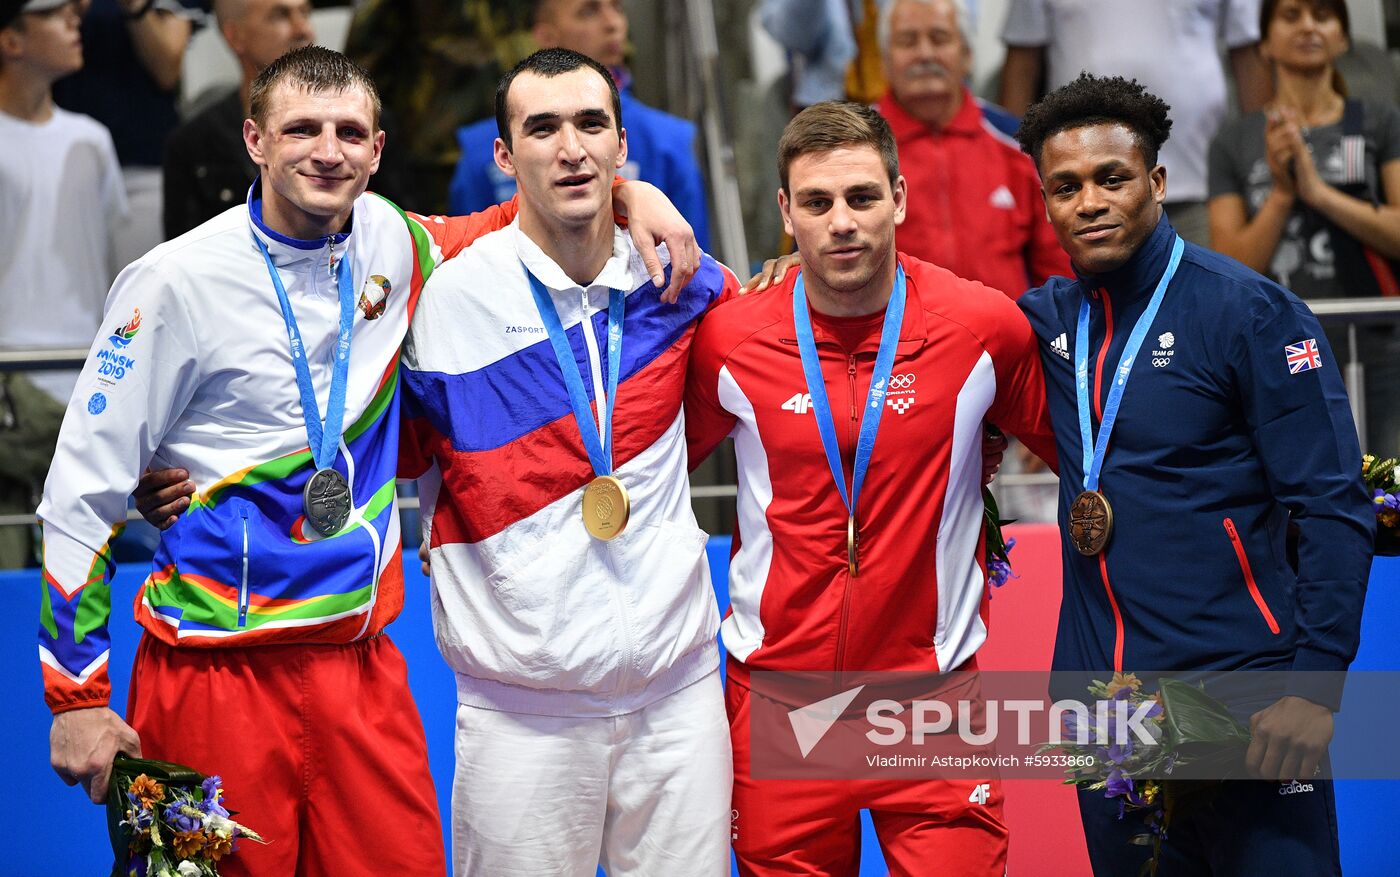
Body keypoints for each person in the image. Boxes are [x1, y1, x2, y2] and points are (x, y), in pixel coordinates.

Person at [41, 44, 698, 877]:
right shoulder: (170, 282)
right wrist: (78, 698)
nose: (328, 150)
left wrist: (626, 189)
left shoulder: (395, 240)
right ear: (254, 139)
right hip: (207, 676)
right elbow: (79, 493)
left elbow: (513, 221)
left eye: (350, 131)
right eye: (302, 129)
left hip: (361, 670)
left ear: (378, 150)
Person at [684, 99, 1057, 876]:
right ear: (786, 213)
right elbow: (649, 473)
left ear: (900, 197)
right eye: (817, 203)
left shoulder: (982, 327)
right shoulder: (731, 337)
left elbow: (1086, 460)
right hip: (784, 704)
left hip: (933, 702)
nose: (841, 221)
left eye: (861, 197)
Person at [1014, 72, 1373, 875]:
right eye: (1065, 187)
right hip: (1109, 724)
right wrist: (783, 274)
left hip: (1250, 709)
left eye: (1113, 178)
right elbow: (927, 307)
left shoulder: (1248, 312)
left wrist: (1316, 687)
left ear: (1158, 182)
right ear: (1046, 203)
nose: (1091, 202)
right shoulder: (1046, 324)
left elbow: (1334, 506)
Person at [398, 47, 733, 876]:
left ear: (624, 147)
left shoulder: (685, 280)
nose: (570, 147)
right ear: (504, 157)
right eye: (542, 128)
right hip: (522, 718)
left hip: (678, 699)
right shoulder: (445, 300)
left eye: (591, 124)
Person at [1208, 0, 1400, 450]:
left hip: (1379, 344)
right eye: (1291, 15)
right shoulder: (1235, 140)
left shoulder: (1380, 122)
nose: (1309, 26)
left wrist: (1317, 192)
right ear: (1265, 44)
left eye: (1323, 15)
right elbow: (1227, 264)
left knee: (1390, 493)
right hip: (1278, 346)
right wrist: (1282, 193)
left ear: (1343, 37)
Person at [0, 0, 127, 568]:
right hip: (10, 380)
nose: (75, 20)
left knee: (85, 563)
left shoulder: (94, 139)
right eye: (53, 12)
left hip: (86, 377)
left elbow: (107, 258)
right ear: (12, 40)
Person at [999, 0, 1270, 247]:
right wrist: (1015, 176)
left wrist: (1259, 167)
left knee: (1203, 293)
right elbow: (1022, 64)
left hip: (1203, 188)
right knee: (1097, 295)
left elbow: (1248, 53)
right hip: (1084, 193)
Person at [449, 0, 711, 252]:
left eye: (617, 7)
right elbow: (466, 256)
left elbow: (691, 262)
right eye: (588, 11)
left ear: (622, 144)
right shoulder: (480, 150)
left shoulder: (671, 141)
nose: (613, 24)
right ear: (504, 156)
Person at [161, 0, 412, 238]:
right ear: (235, 36)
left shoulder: (368, 126)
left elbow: (401, 231)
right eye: (280, 15)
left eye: (305, 13)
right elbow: (185, 256)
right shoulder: (193, 143)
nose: (303, 30)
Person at [878, 0, 1069, 299]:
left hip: (1008, 340)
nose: (924, 53)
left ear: (967, 55)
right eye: (908, 41)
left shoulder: (1018, 142)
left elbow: (1060, 268)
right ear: (885, 61)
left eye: (939, 39)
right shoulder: (854, 149)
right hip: (893, 343)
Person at [53, 0, 208, 269]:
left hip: (141, 164)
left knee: (140, 294)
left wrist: (134, 6)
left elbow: (167, 69)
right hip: (54, 155)